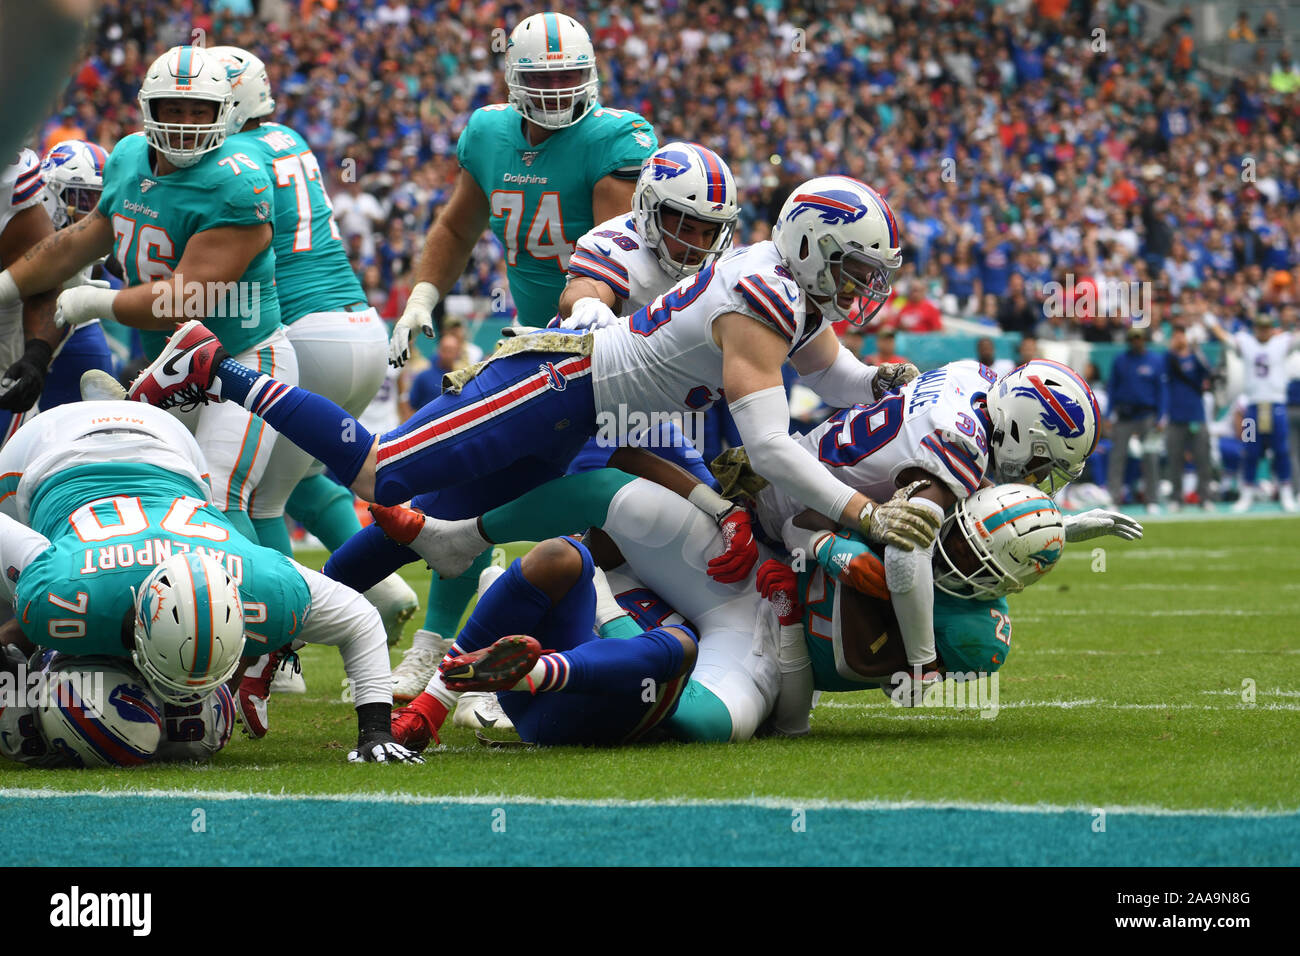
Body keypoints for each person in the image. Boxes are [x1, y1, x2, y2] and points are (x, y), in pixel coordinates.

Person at [128, 176, 943, 599]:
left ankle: (288, 637)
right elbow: (766, 443)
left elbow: (831, 374)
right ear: (809, 246)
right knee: (382, 476)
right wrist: (864, 511)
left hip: (596, 419)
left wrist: (880, 379)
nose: (861, 286)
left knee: (439, 518)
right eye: (853, 268)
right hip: (559, 386)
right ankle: (208, 364)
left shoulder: (787, 288)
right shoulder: (763, 296)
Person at [0, 398, 420, 762]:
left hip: (169, 445)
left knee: (197, 733)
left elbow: (361, 620)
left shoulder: (264, 587)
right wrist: (17, 686)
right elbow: (36, 607)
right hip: (41, 456)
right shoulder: (65, 591)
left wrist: (376, 733)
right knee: (22, 689)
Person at [0, 46, 295, 548]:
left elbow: (182, 301)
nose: (184, 123)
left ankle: (266, 622)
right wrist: (6, 286)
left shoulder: (239, 182)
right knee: (156, 497)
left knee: (220, 496)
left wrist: (95, 304)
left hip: (242, 360)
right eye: (173, 109)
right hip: (170, 369)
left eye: (198, 110)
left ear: (223, 112)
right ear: (148, 109)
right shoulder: (130, 156)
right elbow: (80, 240)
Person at [1203, 311, 1300, 511]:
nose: (1263, 331)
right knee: (1250, 450)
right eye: (1260, 327)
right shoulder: (1246, 341)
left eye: (1266, 327)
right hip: (1252, 406)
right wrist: (1212, 323)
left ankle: (1286, 493)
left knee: (1282, 450)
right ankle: (1246, 493)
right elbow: (1226, 339)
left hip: (1276, 405)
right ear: (1255, 327)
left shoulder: (1281, 342)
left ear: (1272, 328)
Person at [1106, 327, 1166, 511]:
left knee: (1150, 457)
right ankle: (1114, 498)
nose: (1136, 341)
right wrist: (1108, 414)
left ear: (1144, 339)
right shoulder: (1121, 361)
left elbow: (1162, 390)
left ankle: (1152, 499)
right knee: (1117, 457)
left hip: (1147, 415)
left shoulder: (1155, 361)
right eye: (1133, 338)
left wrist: (1161, 415)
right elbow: (1112, 389)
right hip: (1124, 415)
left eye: (1139, 338)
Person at [1163, 324, 1215, 510]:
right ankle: (1176, 498)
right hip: (1176, 417)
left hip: (1196, 415)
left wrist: (1195, 349)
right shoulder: (1169, 359)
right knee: (1175, 460)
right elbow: (1164, 374)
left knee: (1203, 459)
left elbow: (1208, 371)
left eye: (1181, 336)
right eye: (1175, 337)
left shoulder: (1195, 357)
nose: (1179, 340)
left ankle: (1205, 497)